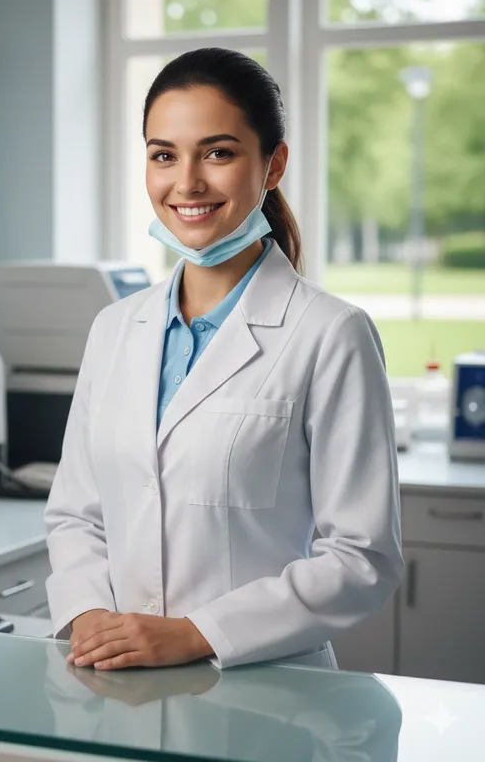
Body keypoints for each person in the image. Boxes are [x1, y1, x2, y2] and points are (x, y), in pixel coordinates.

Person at [44, 48, 403, 671]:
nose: (186, 183)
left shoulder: (331, 333)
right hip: (118, 685)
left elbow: (362, 557)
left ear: (273, 165)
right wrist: (90, 614)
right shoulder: (113, 329)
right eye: (164, 155)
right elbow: (77, 513)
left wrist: (196, 633)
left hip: (270, 691)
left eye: (218, 152)